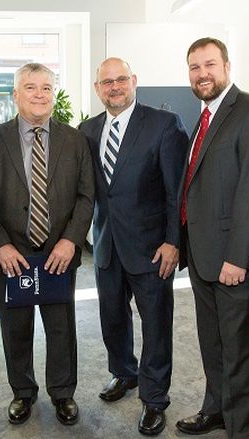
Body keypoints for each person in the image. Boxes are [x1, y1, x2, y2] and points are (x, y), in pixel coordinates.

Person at [0, 63, 94, 427]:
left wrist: (71, 241)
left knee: (61, 327)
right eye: (30, 87)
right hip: (12, 254)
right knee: (16, 327)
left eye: (46, 87)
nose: (40, 94)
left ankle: (63, 393)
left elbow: (86, 196)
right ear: (15, 94)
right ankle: (22, 392)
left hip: (58, 253)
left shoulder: (75, 139)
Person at [176, 37, 249, 438]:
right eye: (194, 67)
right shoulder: (203, 117)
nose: (202, 74)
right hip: (203, 256)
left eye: (209, 65)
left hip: (234, 260)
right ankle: (216, 409)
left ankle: (242, 428)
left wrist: (238, 257)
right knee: (213, 344)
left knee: (238, 350)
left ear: (227, 66)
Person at [79, 57, 188, 436]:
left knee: (156, 325)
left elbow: (177, 191)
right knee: (112, 318)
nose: (114, 87)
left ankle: (155, 399)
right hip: (107, 245)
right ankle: (123, 373)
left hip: (151, 248)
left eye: (121, 79)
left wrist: (173, 241)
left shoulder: (162, 125)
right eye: (106, 82)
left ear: (134, 81)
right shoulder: (87, 130)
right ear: (97, 89)